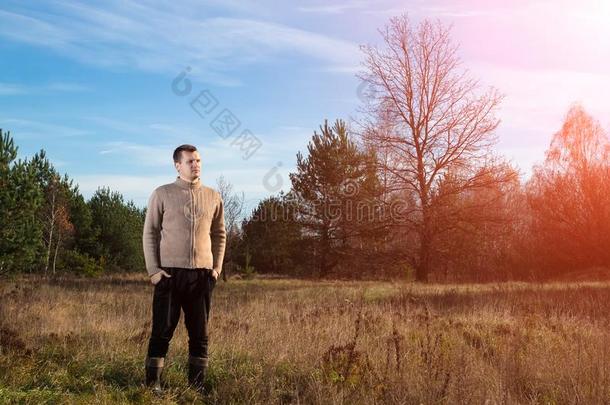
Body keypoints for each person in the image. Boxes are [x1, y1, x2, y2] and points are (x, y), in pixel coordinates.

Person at [142, 144, 226, 394]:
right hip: (169, 275)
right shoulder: (162, 193)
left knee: (200, 335)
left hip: (201, 276)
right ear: (177, 165)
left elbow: (220, 234)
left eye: (198, 160)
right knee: (161, 332)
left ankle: (196, 386)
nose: (196, 165)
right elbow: (149, 233)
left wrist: (216, 269)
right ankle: (152, 384)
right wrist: (154, 271)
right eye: (190, 161)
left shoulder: (213, 196)